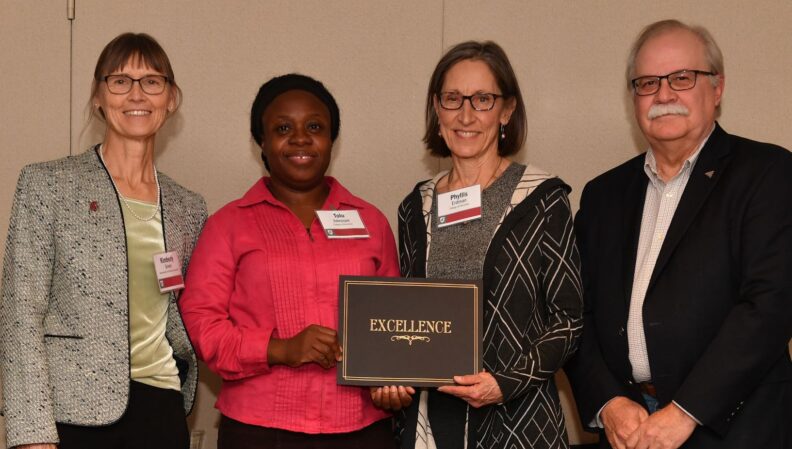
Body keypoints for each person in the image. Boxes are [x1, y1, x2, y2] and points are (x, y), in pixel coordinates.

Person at [565, 19, 792, 449]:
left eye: (682, 78)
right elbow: (577, 313)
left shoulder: (768, 173)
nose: (663, 95)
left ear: (717, 88)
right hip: (629, 430)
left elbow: (770, 306)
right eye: (648, 83)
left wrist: (686, 411)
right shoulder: (602, 195)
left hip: (736, 429)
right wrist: (609, 403)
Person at [372, 41, 583, 449]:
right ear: (437, 109)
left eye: (483, 99)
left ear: (506, 110)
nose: (466, 115)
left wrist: (505, 383)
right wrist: (389, 373)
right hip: (431, 425)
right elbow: (407, 317)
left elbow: (569, 321)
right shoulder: (416, 206)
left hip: (518, 422)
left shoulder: (542, 199)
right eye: (453, 98)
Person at [0, 33, 205, 449]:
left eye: (152, 81)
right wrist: (31, 431)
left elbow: (193, 311)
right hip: (70, 413)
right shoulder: (48, 185)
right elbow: (20, 313)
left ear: (171, 99)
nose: (136, 94)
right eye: (120, 81)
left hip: (162, 409)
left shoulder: (188, 207)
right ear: (98, 95)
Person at [179, 73, 400, 449]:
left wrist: (392, 381)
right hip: (259, 430)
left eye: (315, 127)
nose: (300, 138)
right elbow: (201, 324)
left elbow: (394, 323)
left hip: (361, 429)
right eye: (283, 128)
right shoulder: (228, 225)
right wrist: (279, 349)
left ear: (331, 139)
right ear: (262, 142)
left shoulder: (371, 223)